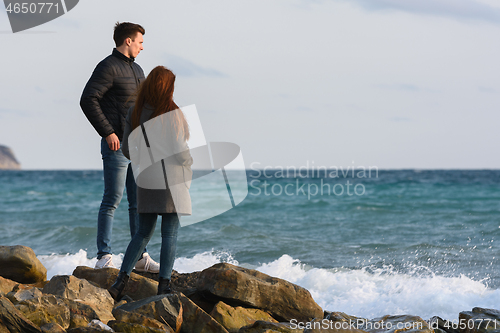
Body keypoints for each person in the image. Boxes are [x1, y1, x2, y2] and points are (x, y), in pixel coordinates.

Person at [80, 22, 159, 272]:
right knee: (112, 200)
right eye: (140, 42)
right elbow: (88, 99)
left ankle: (139, 257)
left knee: (138, 204)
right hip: (116, 146)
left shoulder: (138, 70)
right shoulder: (107, 67)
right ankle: (104, 256)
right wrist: (108, 132)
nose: (142, 47)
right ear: (127, 41)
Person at [108, 66, 193, 300]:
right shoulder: (172, 113)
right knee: (170, 235)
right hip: (173, 182)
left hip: (145, 179)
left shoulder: (134, 111)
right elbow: (179, 151)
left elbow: (126, 149)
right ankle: (163, 286)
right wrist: (190, 160)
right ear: (167, 87)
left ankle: (119, 282)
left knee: (142, 233)